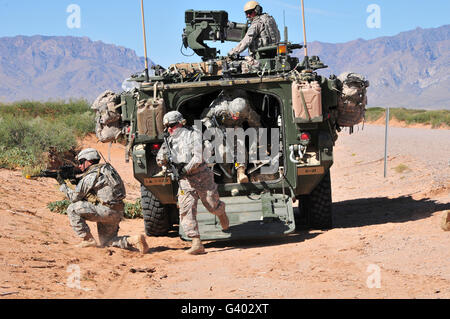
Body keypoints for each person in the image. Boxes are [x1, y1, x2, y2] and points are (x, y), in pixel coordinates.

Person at [156, 111, 229, 255]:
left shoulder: (193, 135)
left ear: (180, 123)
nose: (169, 129)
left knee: (212, 206)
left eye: (172, 125)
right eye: (167, 127)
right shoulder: (169, 140)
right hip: (185, 181)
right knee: (185, 209)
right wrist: (162, 161)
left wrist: (185, 169)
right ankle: (196, 243)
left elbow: (197, 158)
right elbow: (161, 155)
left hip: (202, 176)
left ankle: (221, 214)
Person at [58, 148, 149, 254]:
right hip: (117, 211)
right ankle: (133, 240)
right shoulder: (108, 169)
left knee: (72, 209)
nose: (80, 166)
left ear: (89, 161)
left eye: (81, 162)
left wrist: (62, 184)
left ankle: (88, 240)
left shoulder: (91, 175)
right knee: (107, 241)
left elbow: (74, 197)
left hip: (105, 211)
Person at [201, 89, 262, 183]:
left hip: (237, 129)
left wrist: (259, 142)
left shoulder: (247, 110)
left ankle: (240, 172)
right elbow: (205, 117)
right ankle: (228, 174)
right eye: (234, 115)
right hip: (220, 129)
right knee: (223, 152)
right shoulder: (220, 107)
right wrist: (211, 127)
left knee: (240, 146)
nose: (236, 117)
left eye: (239, 116)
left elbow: (256, 125)